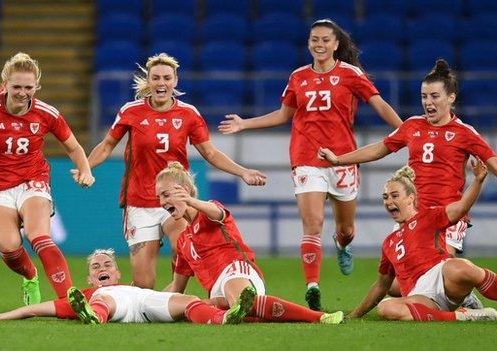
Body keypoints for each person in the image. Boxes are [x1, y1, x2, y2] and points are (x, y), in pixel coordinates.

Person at [218, 19, 403, 310]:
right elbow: (283, 115)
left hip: (343, 159)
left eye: (325, 40)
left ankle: (343, 245)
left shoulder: (351, 74)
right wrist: (245, 123)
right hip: (307, 159)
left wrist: (406, 131)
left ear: (336, 44)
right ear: (308, 43)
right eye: (314, 39)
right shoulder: (298, 77)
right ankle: (312, 287)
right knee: (312, 223)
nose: (320, 44)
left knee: (346, 228)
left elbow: (378, 104)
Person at [318, 59, 497, 306]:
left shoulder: (465, 132)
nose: (428, 102)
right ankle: (459, 300)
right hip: (413, 215)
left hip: (446, 213)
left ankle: (464, 301)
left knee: (446, 269)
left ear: (451, 98)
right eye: (424, 96)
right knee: (395, 285)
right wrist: (339, 160)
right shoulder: (412, 125)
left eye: (435, 96)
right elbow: (380, 148)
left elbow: (492, 162)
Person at [88, 53, 267, 289]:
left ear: (175, 81)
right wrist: (85, 168)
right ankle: (134, 300)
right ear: (149, 81)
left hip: (174, 198)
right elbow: (107, 145)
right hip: (139, 201)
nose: (161, 83)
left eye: (166, 78)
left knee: (181, 244)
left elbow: (210, 153)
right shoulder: (131, 111)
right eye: (156, 78)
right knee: (144, 283)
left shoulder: (188, 114)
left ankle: (182, 294)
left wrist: (242, 172)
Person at [0, 52, 95, 305]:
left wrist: (85, 170)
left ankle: (69, 300)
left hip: (33, 178)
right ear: (5, 84)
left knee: (38, 235)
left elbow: (74, 148)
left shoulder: (47, 113)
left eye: (28, 87)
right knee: (8, 246)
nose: (21, 92)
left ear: (37, 86)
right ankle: (30, 276)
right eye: (16, 86)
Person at [157, 162, 344, 324]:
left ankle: (319, 317)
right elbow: (176, 287)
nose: (161, 202)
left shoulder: (208, 210)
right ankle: (235, 309)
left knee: (239, 299)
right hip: (215, 290)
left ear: (185, 191)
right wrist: (149, 300)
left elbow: (218, 213)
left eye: (165, 195)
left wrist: (190, 201)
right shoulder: (183, 241)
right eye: (159, 197)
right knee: (199, 305)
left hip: (236, 269)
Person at [348, 163, 497, 322]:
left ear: (410, 198)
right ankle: (464, 316)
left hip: (443, 277)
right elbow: (381, 286)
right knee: (386, 307)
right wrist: (353, 315)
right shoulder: (388, 243)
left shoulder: (428, 216)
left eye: (395, 195)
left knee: (460, 266)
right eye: (385, 197)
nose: (389, 201)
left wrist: (478, 180)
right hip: (419, 294)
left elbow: (461, 208)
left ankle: (467, 302)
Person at [0, 248, 254, 325]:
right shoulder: (90, 293)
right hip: (118, 307)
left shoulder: (136, 288)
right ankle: (95, 316)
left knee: (187, 300)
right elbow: (35, 309)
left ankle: (225, 318)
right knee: (103, 301)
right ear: (90, 279)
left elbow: (171, 296)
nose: (102, 269)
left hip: (145, 302)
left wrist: (219, 304)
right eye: (96, 267)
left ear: (118, 273)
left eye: (106, 266)